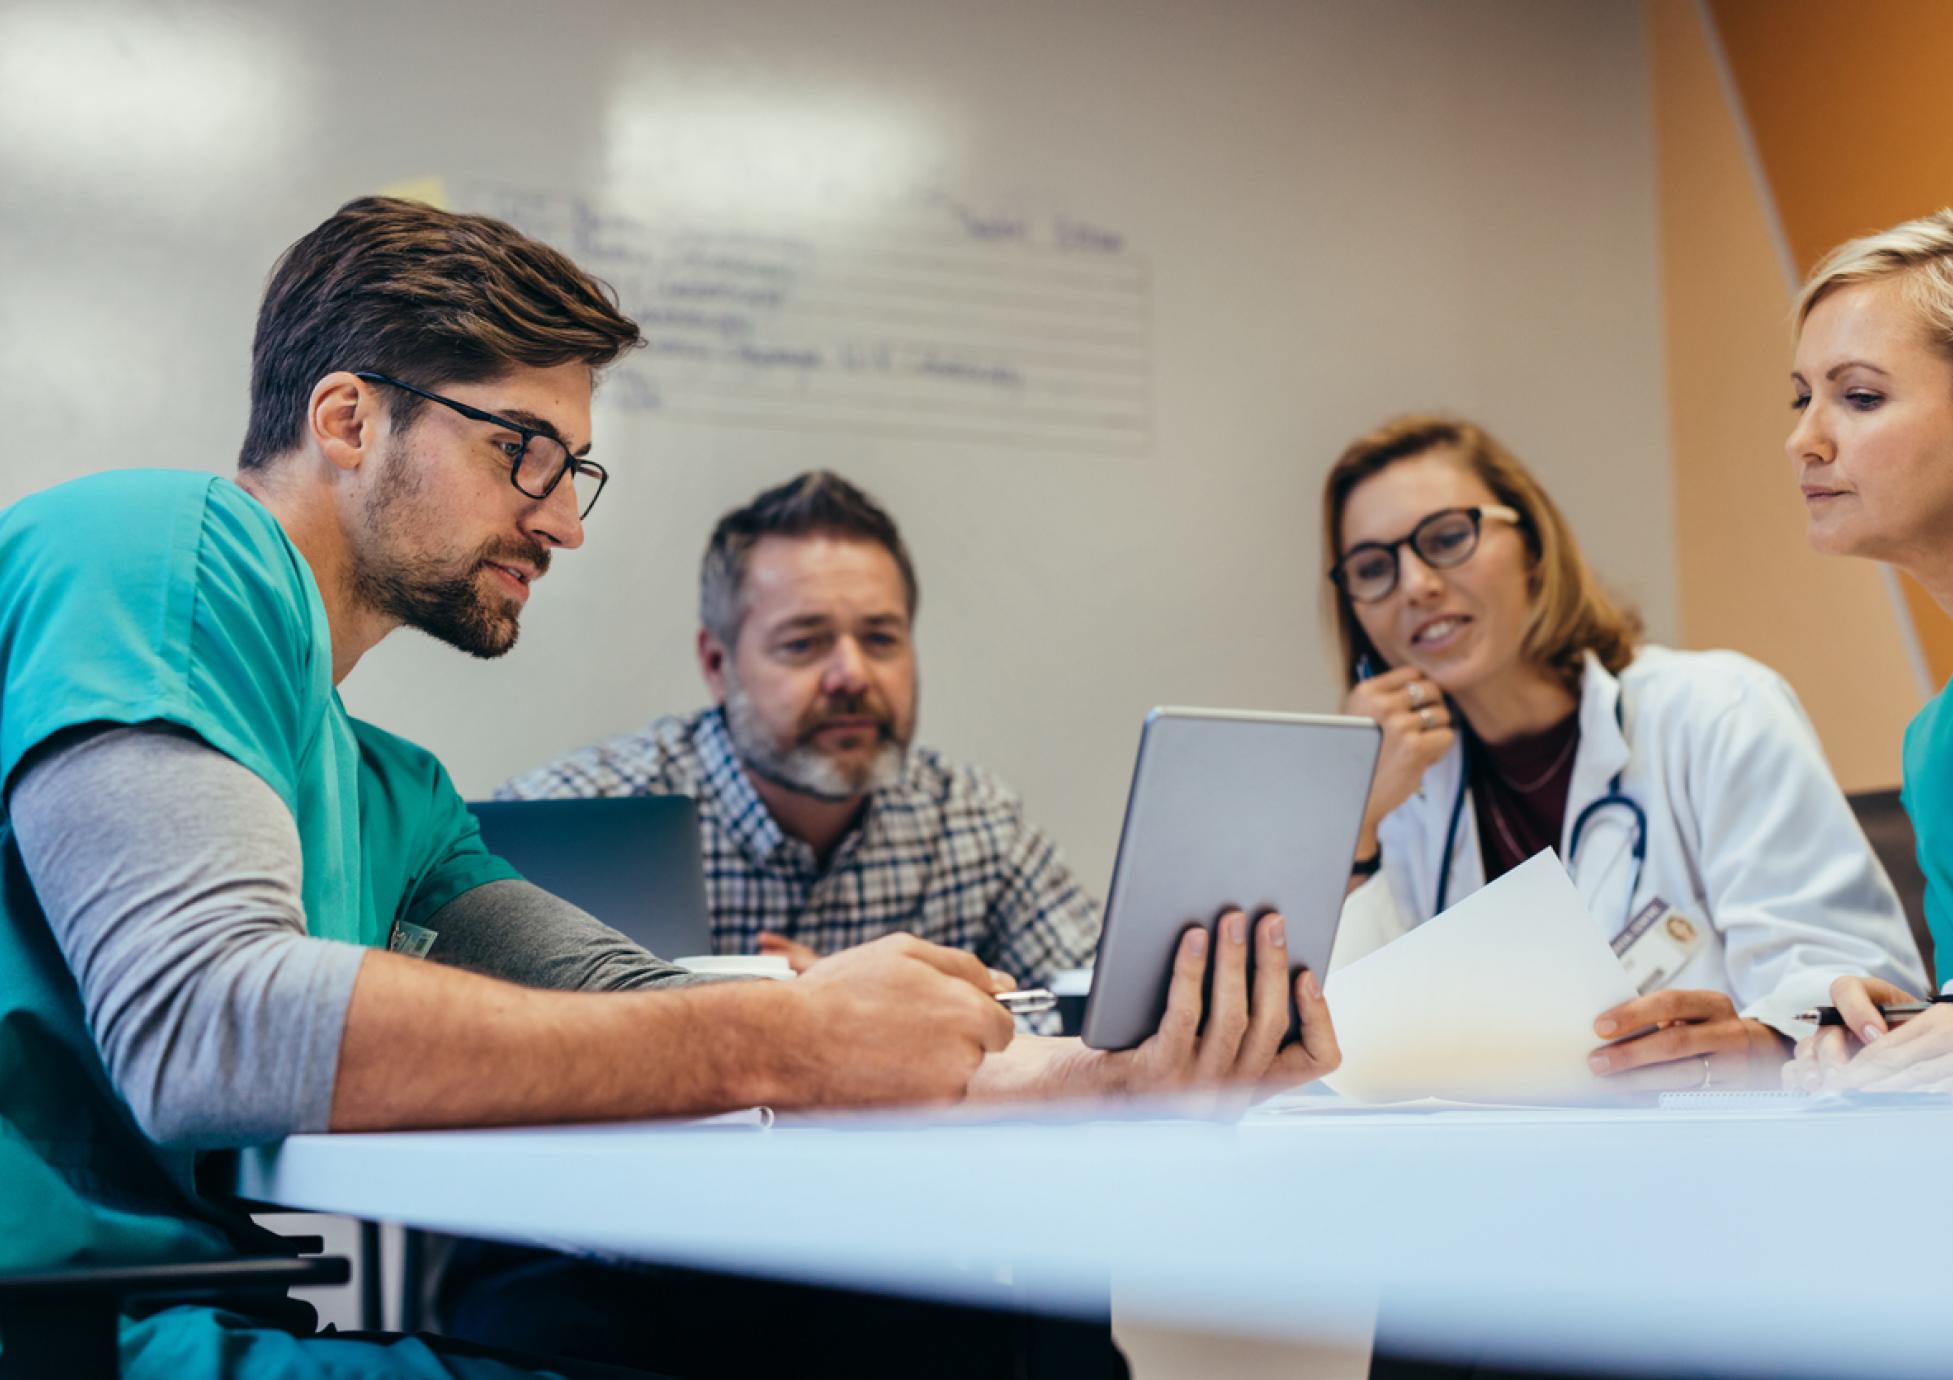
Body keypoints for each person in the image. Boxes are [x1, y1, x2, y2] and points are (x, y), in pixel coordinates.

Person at [0, 195, 1336, 1379]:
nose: (566, 521)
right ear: (348, 419)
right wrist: (793, 1040)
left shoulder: (391, 795)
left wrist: (1103, 1081)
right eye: (522, 449)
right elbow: (203, 1023)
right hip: (75, 1329)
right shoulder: (159, 551)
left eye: (574, 470)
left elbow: (630, 1006)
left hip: (180, 1316)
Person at [1322, 414, 1923, 1094]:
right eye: (1373, 568)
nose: (1415, 584)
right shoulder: (1399, 797)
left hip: (1729, 1164)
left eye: (1448, 538)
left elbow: (1855, 988)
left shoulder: (1715, 711)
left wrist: (1757, 1046)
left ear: (1532, 546)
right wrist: (1357, 820)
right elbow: (1347, 1060)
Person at [495, 469, 1095, 1003]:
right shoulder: (570, 820)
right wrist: (805, 1024)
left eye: (881, 639)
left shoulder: (974, 820)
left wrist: (920, 1011)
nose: (852, 676)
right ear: (716, 664)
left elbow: (1107, 1022)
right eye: (803, 643)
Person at [1778, 205, 1953, 1104]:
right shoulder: (1942, 747)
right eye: (1802, 398)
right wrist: (1900, 1038)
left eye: (1859, 397)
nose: (1804, 439)